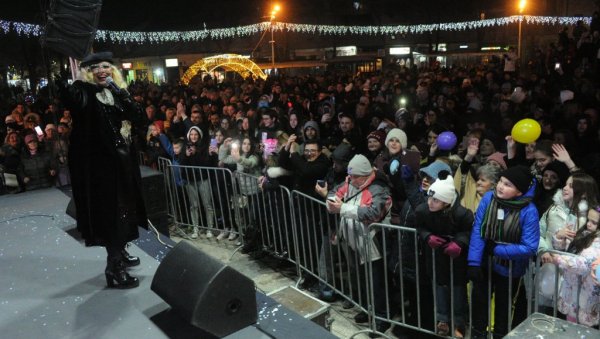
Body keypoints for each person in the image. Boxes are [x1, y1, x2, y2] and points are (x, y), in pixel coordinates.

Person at [57, 51, 147, 289]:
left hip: (122, 161)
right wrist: (70, 80)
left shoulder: (117, 92)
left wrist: (119, 92)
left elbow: (137, 116)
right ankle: (114, 266)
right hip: (102, 167)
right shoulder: (84, 92)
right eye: (95, 67)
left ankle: (120, 250)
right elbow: (72, 99)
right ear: (87, 72)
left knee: (126, 209)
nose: (101, 71)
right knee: (112, 213)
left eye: (106, 66)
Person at [467, 165, 540, 338]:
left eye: (507, 185)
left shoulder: (529, 211)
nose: (500, 186)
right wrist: (474, 262)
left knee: (503, 309)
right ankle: (477, 335)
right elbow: (478, 229)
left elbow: (529, 247)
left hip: (510, 269)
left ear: (519, 192)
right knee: (479, 305)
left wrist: (498, 249)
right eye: (500, 181)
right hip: (484, 262)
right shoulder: (489, 198)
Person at [326, 154, 392, 335]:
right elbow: (333, 193)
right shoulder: (350, 181)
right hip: (351, 239)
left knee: (376, 283)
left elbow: (373, 213)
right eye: (350, 176)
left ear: (365, 175)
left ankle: (381, 318)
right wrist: (331, 203)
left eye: (355, 177)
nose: (350, 179)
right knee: (361, 279)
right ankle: (366, 309)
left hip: (371, 244)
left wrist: (342, 208)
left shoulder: (378, 188)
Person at [416, 173, 473, 337]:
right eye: (429, 198)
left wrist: (460, 242)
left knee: (458, 293)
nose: (430, 203)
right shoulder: (423, 211)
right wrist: (427, 236)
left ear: (447, 202)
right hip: (436, 259)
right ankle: (442, 320)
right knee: (439, 290)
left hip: (457, 262)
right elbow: (419, 227)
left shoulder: (462, 214)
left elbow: (470, 231)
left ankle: (459, 322)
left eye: (435, 200)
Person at [550, 205, 600, 327]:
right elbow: (567, 250)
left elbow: (584, 263)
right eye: (588, 220)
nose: (588, 224)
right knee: (570, 327)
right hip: (572, 292)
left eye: (594, 222)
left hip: (585, 297)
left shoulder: (597, 242)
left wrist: (559, 259)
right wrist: (559, 237)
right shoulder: (584, 234)